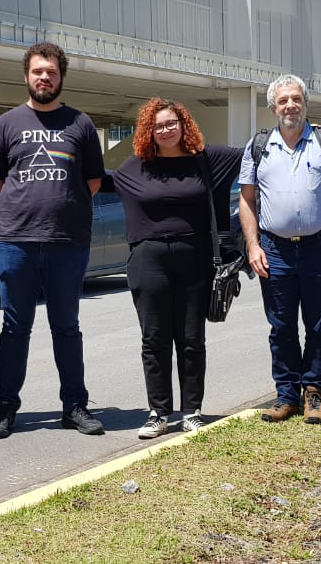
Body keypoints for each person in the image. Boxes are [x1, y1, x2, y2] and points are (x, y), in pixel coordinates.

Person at [0, 42, 106, 439]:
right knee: (15, 328)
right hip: (15, 240)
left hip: (67, 241)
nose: (44, 77)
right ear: (26, 76)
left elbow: (94, 181)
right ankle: (5, 408)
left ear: (61, 77)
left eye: (51, 72)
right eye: (38, 71)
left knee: (66, 327)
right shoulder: (7, 123)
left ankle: (74, 406)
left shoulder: (81, 124)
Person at [112, 98, 242, 438]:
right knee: (154, 338)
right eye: (158, 126)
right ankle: (158, 412)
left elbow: (256, 154)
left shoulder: (207, 160)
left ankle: (191, 411)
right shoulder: (134, 167)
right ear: (148, 131)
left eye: (172, 123)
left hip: (194, 254)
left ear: (184, 125)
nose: (166, 130)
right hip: (148, 257)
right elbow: (92, 182)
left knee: (191, 337)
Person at [238, 74, 321, 425]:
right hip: (273, 248)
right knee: (281, 325)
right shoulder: (258, 146)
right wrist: (253, 246)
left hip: (320, 245)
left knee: (320, 324)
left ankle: (315, 393)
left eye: (296, 99)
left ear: (305, 103)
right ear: (273, 107)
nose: (290, 105)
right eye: (283, 100)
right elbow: (247, 200)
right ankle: (287, 394)